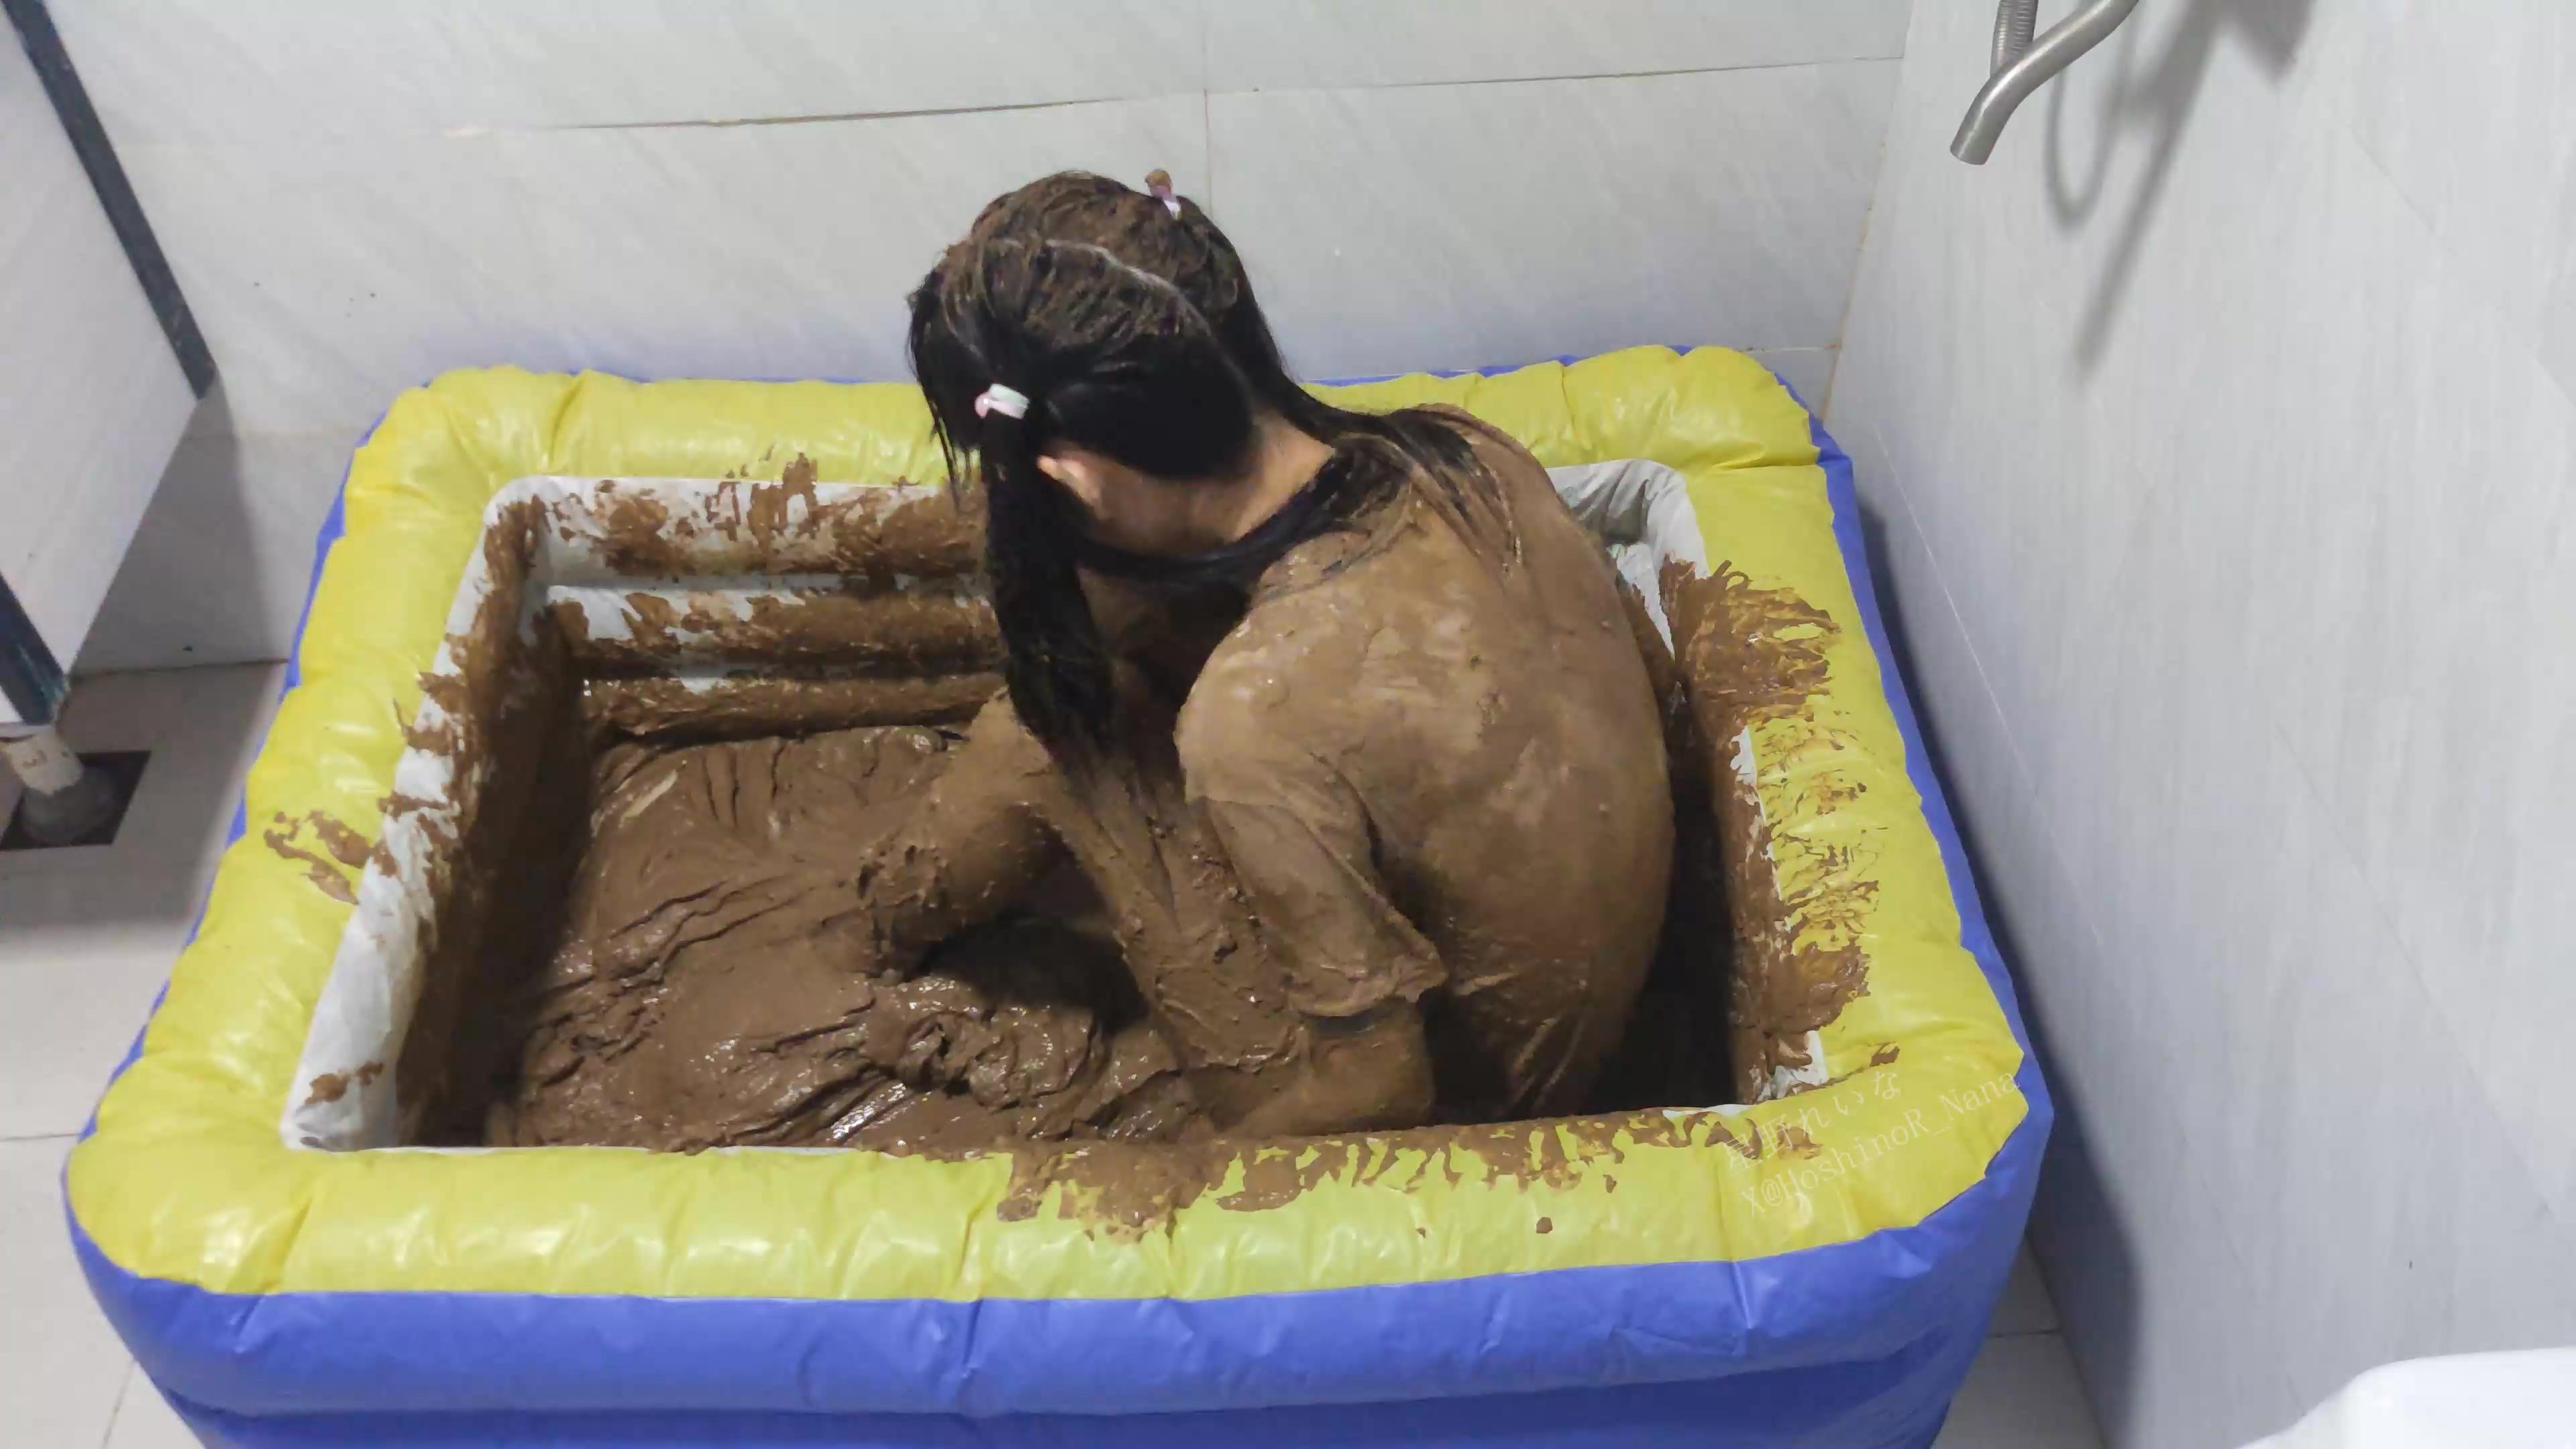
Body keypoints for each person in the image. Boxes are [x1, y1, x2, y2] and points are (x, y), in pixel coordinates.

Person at [862, 170, 1673, 1136]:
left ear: (1076, 482)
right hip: (1603, 989)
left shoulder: (1256, 716)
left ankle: (866, 939)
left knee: (1037, 739)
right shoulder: (1462, 453)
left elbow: (1384, 1088)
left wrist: (1192, 1191)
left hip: (1471, 1118)